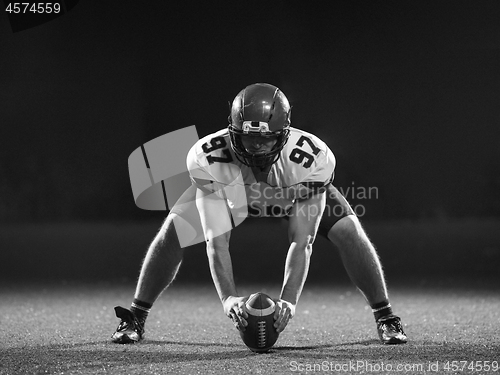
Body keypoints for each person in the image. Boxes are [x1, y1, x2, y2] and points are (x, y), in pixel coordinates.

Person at [112, 83, 407, 345]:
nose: (256, 147)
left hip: (290, 192)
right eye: (248, 138)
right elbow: (217, 242)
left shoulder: (309, 161)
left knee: (349, 232)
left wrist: (288, 301)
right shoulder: (209, 159)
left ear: (284, 133)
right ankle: (136, 315)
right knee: (172, 233)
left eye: (266, 139)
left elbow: (301, 241)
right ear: (233, 131)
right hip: (232, 192)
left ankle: (385, 316)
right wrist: (228, 298)